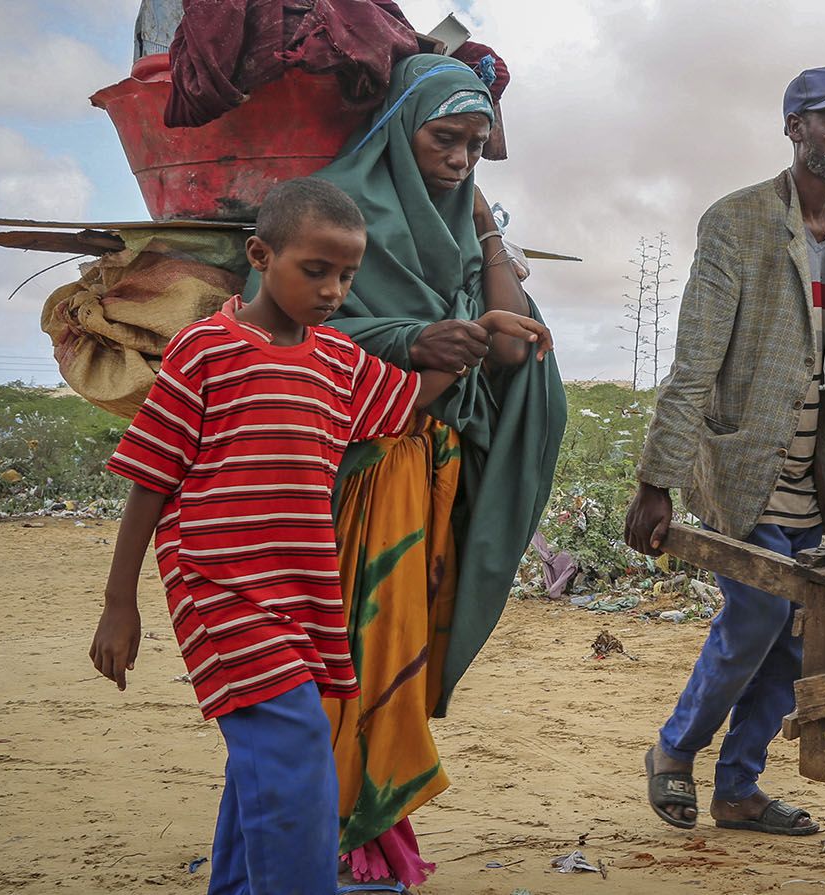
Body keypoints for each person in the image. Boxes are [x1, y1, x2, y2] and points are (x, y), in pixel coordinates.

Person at [88, 177, 550, 895]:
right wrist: (121, 601)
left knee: (267, 762)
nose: (334, 289)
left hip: (306, 592)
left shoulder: (337, 360)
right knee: (297, 745)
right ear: (260, 254)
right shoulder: (206, 350)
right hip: (220, 588)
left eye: (347, 274)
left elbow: (407, 398)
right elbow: (151, 475)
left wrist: (481, 337)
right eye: (316, 269)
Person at [244, 53, 569, 887]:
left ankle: (359, 846)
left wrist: (490, 229)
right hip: (353, 478)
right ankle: (327, 844)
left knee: (393, 658)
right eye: (445, 137)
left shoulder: (462, 224)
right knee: (340, 660)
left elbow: (507, 345)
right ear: (399, 130)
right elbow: (288, 336)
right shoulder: (341, 216)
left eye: (475, 142)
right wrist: (410, 340)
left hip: (428, 476)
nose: (459, 157)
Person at [625, 66, 825, 837]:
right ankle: (675, 751)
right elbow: (696, 358)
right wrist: (657, 480)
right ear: (794, 127)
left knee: (800, 629)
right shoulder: (736, 222)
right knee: (761, 607)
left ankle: (738, 788)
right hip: (743, 470)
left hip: (818, 476)